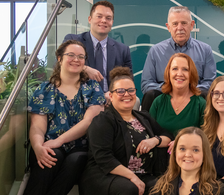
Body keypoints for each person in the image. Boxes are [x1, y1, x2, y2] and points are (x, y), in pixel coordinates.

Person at [23, 40, 105, 195]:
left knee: (76, 160)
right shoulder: (44, 90)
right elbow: (37, 127)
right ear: (59, 58)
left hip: (82, 146)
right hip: (49, 144)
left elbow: (88, 122)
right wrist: (38, 146)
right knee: (50, 155)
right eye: (71, 55)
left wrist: (59, 140)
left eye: (81, 57)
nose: (76, 59)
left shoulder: (93, 88)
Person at [79, 67, 172, 195]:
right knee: (129, 188)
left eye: (131, 90)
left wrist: (154, 141)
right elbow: (103, 158)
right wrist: (132, 177)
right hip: (106, 174)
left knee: (164, 188)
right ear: (111, 96)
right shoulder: (102, 120)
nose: (127, 94)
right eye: (121, 91)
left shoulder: (144, 117)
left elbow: (167, 136)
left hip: (143, 174)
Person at [141, 6, 216, 111]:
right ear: (168, 27)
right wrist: (170, 90)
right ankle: (147, 127)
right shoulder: (155, 51)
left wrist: (187, 91)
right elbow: (146, 84)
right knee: (150, 95)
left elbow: (210, 83)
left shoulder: (205, 50)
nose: (180, 28)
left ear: (192, 25)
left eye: (184, 23)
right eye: (175, 24)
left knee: (205, 95)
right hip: (163, 99)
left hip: (194, 100)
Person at [63, 0, 132, 103]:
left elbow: (128, 81)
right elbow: (60, 65)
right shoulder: (74, 41)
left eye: (108, 18)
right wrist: (84, 68)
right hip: (81, 100)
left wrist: (113, 94)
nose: (103, 20)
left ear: (112, 22)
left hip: (111, 101)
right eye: (99, 16)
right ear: (90, 19)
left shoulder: (122, 50)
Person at [149, 53, 206, 153]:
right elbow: (150, 134)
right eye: (175, 69)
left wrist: (183, 143)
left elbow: (206, 138)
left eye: (185, 69)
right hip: (160, 160)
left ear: (191, 74)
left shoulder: (201, 104)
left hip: (190, 159)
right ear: (169, 73)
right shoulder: (158, 102)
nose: (179, 73)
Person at [150, 127, 224, 195]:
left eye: (195, 150)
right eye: (182, 149)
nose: (188, 154)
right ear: (175, 153)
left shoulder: (218, 191)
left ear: (204, 155)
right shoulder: (160, 187)